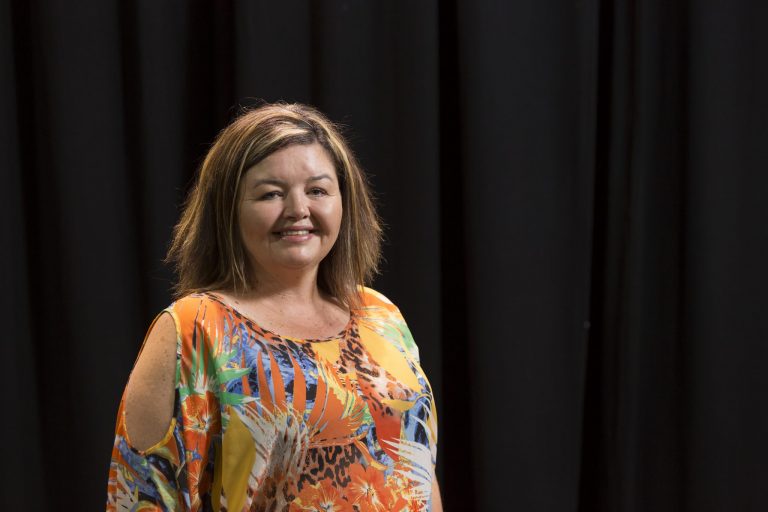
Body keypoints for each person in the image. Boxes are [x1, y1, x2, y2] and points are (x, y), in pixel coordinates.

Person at [106, 102, 441, 511]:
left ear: (344, 201)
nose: (298, 210)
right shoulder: (195, 328)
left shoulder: (379, 315)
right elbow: (139, 497)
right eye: (271, 194)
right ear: (227, 210)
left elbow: (419, 473)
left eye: (317, 190)